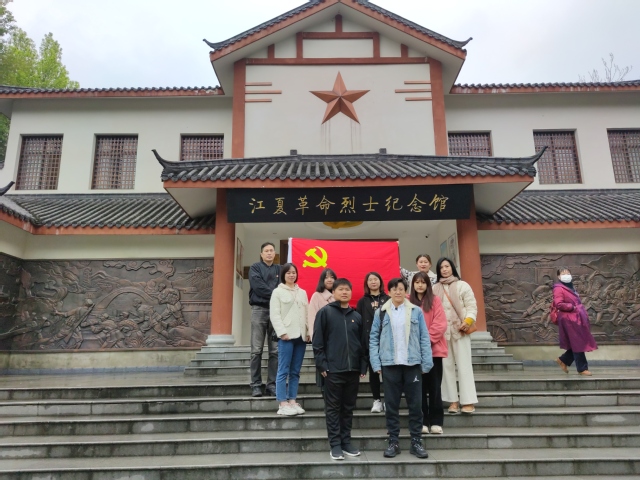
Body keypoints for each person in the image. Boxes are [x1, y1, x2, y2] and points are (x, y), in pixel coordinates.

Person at [370, 277, 432, 459]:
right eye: (394, 289)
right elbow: (373, 338)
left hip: (412, 364)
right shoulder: (381, 313)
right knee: (391, 405)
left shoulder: (416, 311)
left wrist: (426, 362)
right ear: (389, 292)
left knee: (415, 405)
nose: (397, 292)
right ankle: (393, 442)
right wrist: (376, 362)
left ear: (406, 291)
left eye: (401, 289)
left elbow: (424, 337)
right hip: (390, 365)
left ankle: (416, 442)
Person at [312, 278, 367, 461]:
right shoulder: (325, 313)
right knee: (333, 409)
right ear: (334, 292)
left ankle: (346, 442)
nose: (344, 292)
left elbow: (362, 344)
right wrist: (322, 364)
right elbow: (317, 342)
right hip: (333, 370)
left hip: (353, 371)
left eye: (347, 290)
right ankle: (335, 445)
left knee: (348, 408)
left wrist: (363, 365)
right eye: (341, 289)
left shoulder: (356, 316)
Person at [432, 257, 478, 414]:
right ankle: (452, 401)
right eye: (441, 267)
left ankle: (468, 401)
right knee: (446, 367)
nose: (444, 269)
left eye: (447, 266)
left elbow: (471, 306)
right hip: (442, 334)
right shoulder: (434, 288)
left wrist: (468, 320)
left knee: (464, 366)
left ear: (452, 267)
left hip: (460, 331)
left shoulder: (462, 285)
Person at [409, 272, 448, 435]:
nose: (420, 285)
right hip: (414, 353)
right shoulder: (408, 301)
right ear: (413, 284)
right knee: (418, 388)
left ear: (427, 285)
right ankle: (422, 421)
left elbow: (440, 324)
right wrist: (416, 344)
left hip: (434, 351)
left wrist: (425, 342)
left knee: (434, 387)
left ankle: (436, 421)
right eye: (417, 282)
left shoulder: (435, 300)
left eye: (423, 282)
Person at [270, 263, 310, 416]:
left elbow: (306, 313)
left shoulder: (302, 292)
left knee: (295, 371)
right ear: (283, 275)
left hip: (301, 336)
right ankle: (282, 403)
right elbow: (275, 314)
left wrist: (308, 331)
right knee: (283, 370)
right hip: (286, 336)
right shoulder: (277, 292)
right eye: (288, 273)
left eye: (294, 272)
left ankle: (292, 400)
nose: (292, 275)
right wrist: (282, 332)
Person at [248, 242, 281, 397]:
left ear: (275, 254)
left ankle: (271, 385)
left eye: (271, 250)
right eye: (266, 251)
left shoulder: (280, 269)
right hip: (259, 310)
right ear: (261, 254)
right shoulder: (255, 268)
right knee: (256, 350)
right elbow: (258, 286)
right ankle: (255, 385)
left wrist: (278, 294)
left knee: (275, 351)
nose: (269, 253)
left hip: (276, 311)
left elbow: (284, 287)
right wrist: (276, 294)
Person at [355, 272, 390, 414]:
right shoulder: (362, 302)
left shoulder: (388, 299)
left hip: (387, 341)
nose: (373, 282)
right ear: (366, 283)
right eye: (370, 280)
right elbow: (359, 322)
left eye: (376, 279)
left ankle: (388, 399)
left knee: (388, 373)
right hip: (369, 341)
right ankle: (376, 400)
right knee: (374, 373)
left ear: (381, 282)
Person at [553, 267, 598, 376]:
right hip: (569, 319)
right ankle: (582, 368)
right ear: (559, 276)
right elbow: (559, 304)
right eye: (563, 273)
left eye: (568, 273)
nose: (566, 275)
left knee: (577, 342)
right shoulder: (559, 288)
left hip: (576, 318)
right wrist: (572, 307)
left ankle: (563, 360)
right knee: (578, 342)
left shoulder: (570, 287)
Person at [308, 268, 337, 340]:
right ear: (322, 280)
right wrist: (314, 337)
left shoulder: (339, 296)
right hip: (322, 336)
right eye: (326, 278)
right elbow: (312, 318)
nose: (329, 280)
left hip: (337, 337)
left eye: (332, 277)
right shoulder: (316, 296)